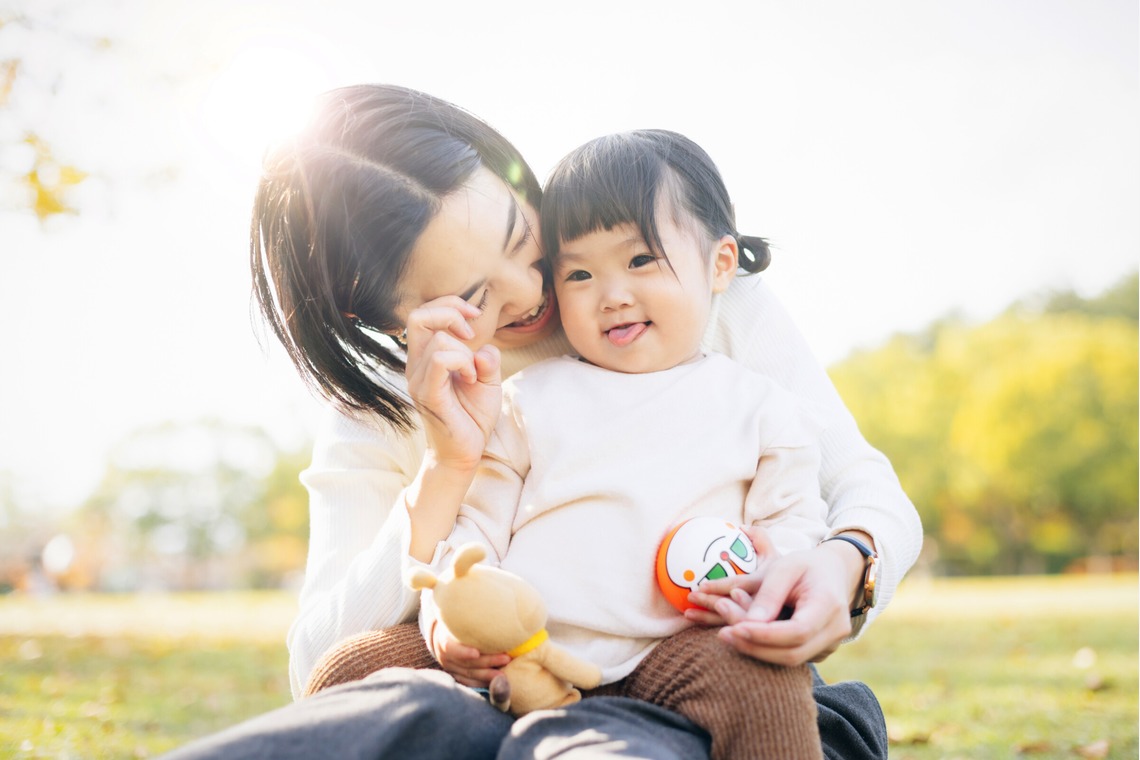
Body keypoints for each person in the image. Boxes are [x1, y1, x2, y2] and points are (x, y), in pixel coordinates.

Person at [165, 83, 920, 759]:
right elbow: (319, 669)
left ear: (509, 172)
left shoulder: (694, 297)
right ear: (388, 321)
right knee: (387, 705)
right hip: (497, 688)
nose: (533, 294)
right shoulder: (387, 409)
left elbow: (857, 484)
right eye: (474, 298)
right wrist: (446, 471)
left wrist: (843, 563)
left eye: (522, 241)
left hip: (692, 675)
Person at [414, 128, 847, 759]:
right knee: (360, 659)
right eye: (580, 273)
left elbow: (796, 525)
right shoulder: (527, 398)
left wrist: (772, 570)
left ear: (720, 263)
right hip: (528, 650)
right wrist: (447, 622)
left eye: (640, 260)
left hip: (685, 645)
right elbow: (473, 529)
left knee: (763, 678)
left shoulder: (760, 408)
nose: (613, 295)